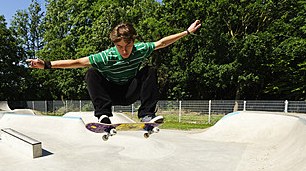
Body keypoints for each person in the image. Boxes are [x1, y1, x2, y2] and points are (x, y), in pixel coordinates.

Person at [27, 20, 202, 124]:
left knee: (150, 70)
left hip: (130, 92)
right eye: (119, 47)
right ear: (114, 44)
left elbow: (161, 43)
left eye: (128, 46)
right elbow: (77, 62)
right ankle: (103, 114)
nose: (124, 51)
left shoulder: (140, 49)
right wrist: (47, 64)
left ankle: (147, 114)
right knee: (91, 72)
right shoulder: (106, 56)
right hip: (109, 94)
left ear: (134, 41)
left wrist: (186, 32)